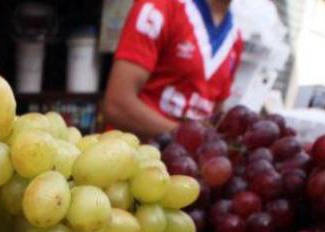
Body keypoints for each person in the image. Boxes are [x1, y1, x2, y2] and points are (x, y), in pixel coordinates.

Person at [102, 0, 244, 139]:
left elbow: (214, 119)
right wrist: (189, 138)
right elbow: (117, 106)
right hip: (132, 153)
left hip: (187, 160)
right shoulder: (160, 6)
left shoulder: (236, 38)